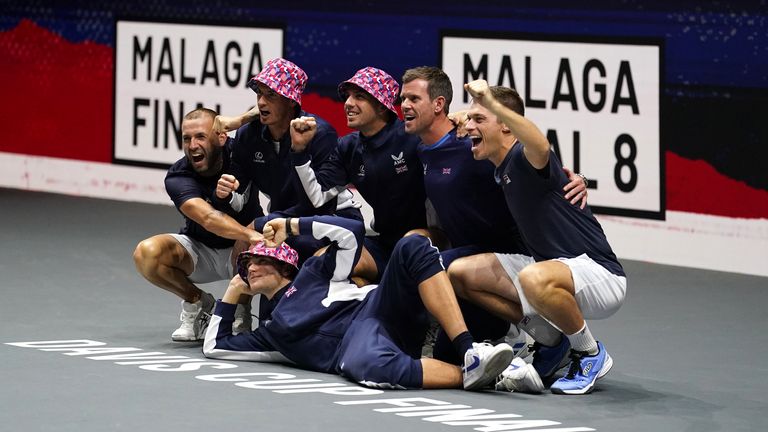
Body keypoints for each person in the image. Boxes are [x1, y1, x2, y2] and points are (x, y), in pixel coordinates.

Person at [399, 66, 588, 370]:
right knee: (446, 356)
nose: (404, 104)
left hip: (508, 257)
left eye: (413, 97)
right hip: (468, 260)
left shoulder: (472, 143)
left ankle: (532, 332)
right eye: (402, 97)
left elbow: (532, 159)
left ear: (438, 104)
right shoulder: (415, 146)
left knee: (426, 267)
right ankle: (506, 336)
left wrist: (578, 177)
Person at [202, 215, 527, 391]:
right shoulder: (270, 333)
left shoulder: (314, 272)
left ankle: (470, 350)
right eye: (247, 265)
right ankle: (483, 374)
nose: (252, 268)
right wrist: (232, 291)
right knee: (364, 364)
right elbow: (216, 346)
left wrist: (292, 225)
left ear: (285, 266)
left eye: (259, 260)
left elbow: (352, 233)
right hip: (354, 347)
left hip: (378, 310)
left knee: (413, 245)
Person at [452, 79, 627, 395]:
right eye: (471, 120)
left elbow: (541, 146)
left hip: (599, 273)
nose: (470, 126)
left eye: (480, 120)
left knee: (534, 278)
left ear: (506, 126)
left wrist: (491, 102)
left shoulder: (523, 157)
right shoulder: (501, 166)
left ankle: (589, 353)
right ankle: (551, 338)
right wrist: (469, 114)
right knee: (461, 274)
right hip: (548, 266)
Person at [133, 108, 264, 341]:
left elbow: (274, 110)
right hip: (200, 249)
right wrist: (254, 236)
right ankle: (197, 303)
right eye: (186, 138)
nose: (192, 145)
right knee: (147, 253)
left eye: (200, 137)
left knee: (252, 235)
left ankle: (240, 309)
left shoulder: (243, 152)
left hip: (244, 252)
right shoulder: (178, 176)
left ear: (221, 137)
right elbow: (208, 219)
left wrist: (240, 119)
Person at [287, 66, 427, 284]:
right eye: (348, 96)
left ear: (382, 106)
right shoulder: (348, 146)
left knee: (408, 245)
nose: (348, 103)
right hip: (384, 243)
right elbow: (317, 197)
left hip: (427, 240)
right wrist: (300, 151)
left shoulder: (412, 136)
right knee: (322, 263)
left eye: (359, 96)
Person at [214, 58, 362, 263]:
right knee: (246, 254)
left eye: (271, 95)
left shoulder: (320, 134)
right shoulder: (248, 135)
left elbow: (315, 204)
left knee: (275, 253)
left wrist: (261, 223)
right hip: (283, 219)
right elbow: (239, 196)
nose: (261, 102)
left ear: (292, 100)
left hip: (331, 217)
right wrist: (225, 194)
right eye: (259, 93)